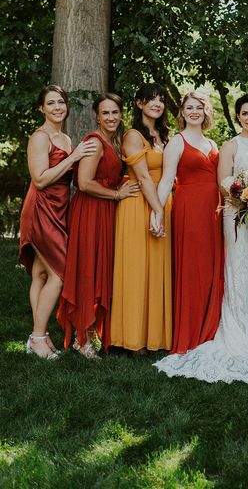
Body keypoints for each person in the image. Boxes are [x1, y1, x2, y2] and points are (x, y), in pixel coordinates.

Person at [153, 93, 248, 383]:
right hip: (237, 215)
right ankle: (236, 326)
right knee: (236, 268)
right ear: (238, 116)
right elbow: (223, 181)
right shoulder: (229, 145)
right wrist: (247, 201)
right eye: (244, 113)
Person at [57, 94, 140, 358]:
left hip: (105, 211)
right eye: (105, 113)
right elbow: (84, 182)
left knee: (101, 268)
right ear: (97, 116)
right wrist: (116, 194)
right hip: (90, 211)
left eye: (115, 112)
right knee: (89, 269)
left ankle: (92, 331)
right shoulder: (94, 142)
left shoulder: (114, 141)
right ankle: (82, 337)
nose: (111, 118)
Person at [19, 85, 97, 359]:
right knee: (61, 273)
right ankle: (38, 337)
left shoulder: (64, 137)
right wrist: (74, 158)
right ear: (42, 108)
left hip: (60, 209)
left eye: (60, 102)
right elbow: (39, 179)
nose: (57, 107)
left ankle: (38, 336)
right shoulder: (40, 138)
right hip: (41, 209)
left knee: (41, 273)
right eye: (50, 103)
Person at [153, 91, 224, 375]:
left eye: (199, 107)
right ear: (182, 112)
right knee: (192, 268)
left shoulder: (212, 143)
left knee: (210, 269)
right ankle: (190, 330)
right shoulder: (176, 142)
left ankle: (210, 326)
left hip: (213, 212)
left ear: (206, 111)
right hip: (189, 209)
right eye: (189, 107)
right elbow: (167, 179)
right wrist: (156, 211)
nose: (194, 111)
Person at [110, 83, 172, 353]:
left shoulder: (164, 134)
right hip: (139, 205)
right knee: (136, 269)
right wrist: (157, 210)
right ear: (138, 104)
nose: (157, 104)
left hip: (161, 202)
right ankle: (132, 338)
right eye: (151, 100)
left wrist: (163, 207)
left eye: (160, 100)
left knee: (157, 268)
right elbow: (145, 176)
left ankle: (154, 336)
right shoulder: (133, 135)